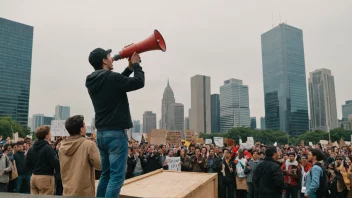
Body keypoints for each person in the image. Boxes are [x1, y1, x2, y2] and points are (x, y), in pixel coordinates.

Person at [86, 48, 144, 198]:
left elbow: (116, 82)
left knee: (105, 175)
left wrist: (129, 68)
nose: (112, 59)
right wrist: (136, 65)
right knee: (117, 177)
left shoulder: (91, 80)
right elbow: (139, 82)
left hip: (102, 134)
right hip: (116, 135)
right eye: (109, 56)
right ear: (104, 61)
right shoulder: (111, 78)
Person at [59, 115, 101, 197]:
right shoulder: (88, 144)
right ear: (81, 129)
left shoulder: (62, 146)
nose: (86, 128)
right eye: (84, 125)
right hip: (84, 192)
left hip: (67, 191)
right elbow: (100, 165)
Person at [26, 126, 60, 195]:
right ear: (46, 136)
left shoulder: (31, 148)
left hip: (34, 176)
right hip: (45, 177)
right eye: (50, 134)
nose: (51, 136)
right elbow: (55, 162)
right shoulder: (48, 148)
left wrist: (33, 171)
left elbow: (27, 163)